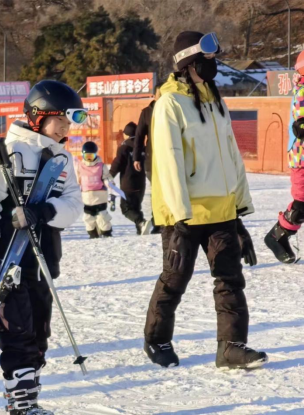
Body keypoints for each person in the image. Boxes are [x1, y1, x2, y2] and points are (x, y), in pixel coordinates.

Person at [143, 31, 267, 369]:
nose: (214, 64)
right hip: (183, 212)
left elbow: (231, 155)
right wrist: (180, 213)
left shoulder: (215, 100)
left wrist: (239, 207)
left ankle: (230, 347)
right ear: (189, 63)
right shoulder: (170, 103)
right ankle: (157, 339)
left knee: (230, 279)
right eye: (207, 60)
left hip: (221, 208)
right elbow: (168, 161)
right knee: (175, 279)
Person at [0, 80, 84, 414]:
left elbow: (74, 202)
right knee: (16, 331)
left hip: (43, 259)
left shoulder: (62, 158)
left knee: (39, 332)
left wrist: (47, 211)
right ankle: (21, 405)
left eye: (70, 119)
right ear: (37, 116)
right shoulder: (10, 151)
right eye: (59, 119)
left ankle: (28, 399)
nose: (66, 126)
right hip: (10, 258)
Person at [264, 50, 304, 264]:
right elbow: (300, 126)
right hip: (301, 159)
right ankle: (276, 237)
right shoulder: (302, 93)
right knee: (300, 207)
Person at [133, 82, 164, 234]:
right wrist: (136, 157)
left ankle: (172, 219)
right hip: (153, 159)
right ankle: (158, 221)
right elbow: (139, 136)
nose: (163, 97)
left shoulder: (173, 109)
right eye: (160, 94)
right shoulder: (147, 112)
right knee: (158, 191)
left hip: (172, 157)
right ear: (154, 95)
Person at [110, 122, 150, 235]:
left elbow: (116, 165)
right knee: (136, 208)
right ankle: (141, 229)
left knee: (126, 208)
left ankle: (141, 222)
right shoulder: (142, 148)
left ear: (126, 135)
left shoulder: (124, 148)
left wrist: (108, 177)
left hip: (128, 184)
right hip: (141, 184)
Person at [76, 141, 114, 238]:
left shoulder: (101, 166)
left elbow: (107, 177)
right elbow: (76, 180)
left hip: (99, 197)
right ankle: (93, 234)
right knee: (88, 218)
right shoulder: (79, 166)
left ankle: (106, 233)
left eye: (91, 156)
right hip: (86, 198)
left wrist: (109, 184)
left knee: (102, 217)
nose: (89, 159)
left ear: (96, 155)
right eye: (87, 156)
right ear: (83, 155)